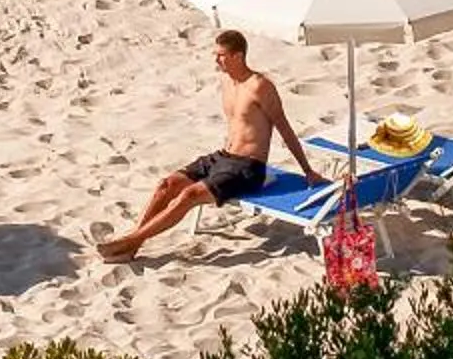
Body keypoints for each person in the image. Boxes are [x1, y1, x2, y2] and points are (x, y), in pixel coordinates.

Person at [97, 30, 319, 261]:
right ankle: (132, 245)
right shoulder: (227, 81)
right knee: (167, 185)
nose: (216, 60)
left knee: (189, 195)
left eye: (221, 55)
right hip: (223, 157)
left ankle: (128, 242)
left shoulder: (260, 86)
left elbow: (284, 128)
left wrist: (308, 171)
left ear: (238, 56)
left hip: (248, 167)